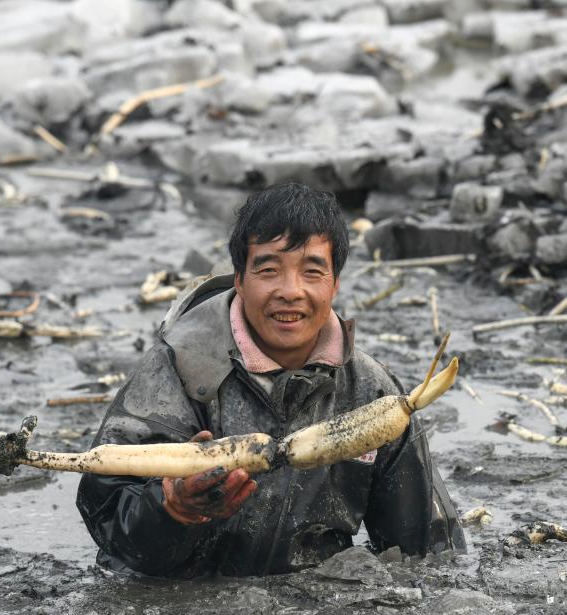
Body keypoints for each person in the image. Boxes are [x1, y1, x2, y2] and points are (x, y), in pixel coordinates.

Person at [76, 182, 466, 577]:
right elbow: (104, 513)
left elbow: (430, 554)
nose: (290, 292)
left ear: (335, 283)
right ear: (240, 279)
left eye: (312, 271)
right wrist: (172, 509)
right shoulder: (180, 370)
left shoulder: (373, 394)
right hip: (168, 607)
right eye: (268, 270)